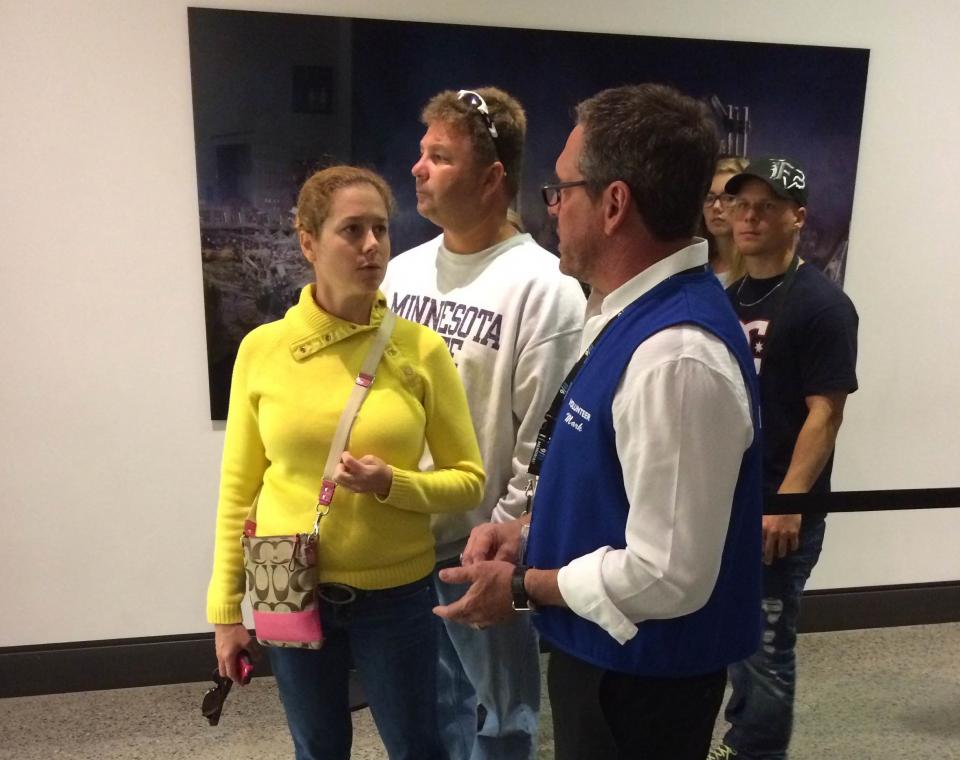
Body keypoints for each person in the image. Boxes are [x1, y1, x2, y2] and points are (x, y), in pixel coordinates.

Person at [434, 83, 764, 760]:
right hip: (608, 661)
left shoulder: (676, 356)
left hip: (643, 686)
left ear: (613, 203)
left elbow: (668, 575)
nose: (550, 208)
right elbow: (613, 489)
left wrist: (524, 588)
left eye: (562, 190)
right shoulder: (624, 314)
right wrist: (527, 534)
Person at [206, 166, 485, 760]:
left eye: (381, 229)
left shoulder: (420, 349)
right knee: (318, 749)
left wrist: (394, 484)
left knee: (418, 747)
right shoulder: (262, 351)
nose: (371, 247)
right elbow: (238, 491)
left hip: (396, 595)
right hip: (290, 585)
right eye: (351, 230)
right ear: (307, 241)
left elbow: (468, 481)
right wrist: (227, 612)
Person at [382, 86, 585, 760]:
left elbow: (543, 435)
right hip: (400, 543)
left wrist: (503, 540)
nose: (419, 168)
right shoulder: (400, 275)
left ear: (492, 176)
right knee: (422, 714)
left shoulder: (543, 285)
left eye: (440, 156)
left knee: (501, 720)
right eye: (422, 152)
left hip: (478, 547)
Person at [709, 157, 859, 760]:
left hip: (779, 511)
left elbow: (825, 414)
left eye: (766, 207)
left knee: (767, 648)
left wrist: (789, 504)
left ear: (797, 217)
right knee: (733, 638)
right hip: (726, 502)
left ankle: (756, 751)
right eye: (740, 204)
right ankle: (740, 737)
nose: (748, 216)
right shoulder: (725, 298)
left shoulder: (823, 306)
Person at [702, 156, 750, 286]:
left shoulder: (759, 269)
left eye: (728, 198)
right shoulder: (698, 269)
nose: (716, 206)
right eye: (709, 197)